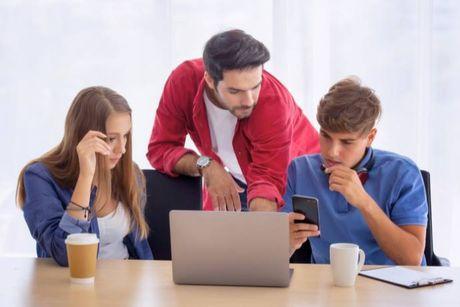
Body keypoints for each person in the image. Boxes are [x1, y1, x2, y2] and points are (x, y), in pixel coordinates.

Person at [147, 29, 319, 212]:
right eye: (235, 91)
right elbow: (160, 149)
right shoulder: (183, 82)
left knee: (263, 238)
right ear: (210, 80)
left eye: (255, 86)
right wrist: (206, 165)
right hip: (241, 183)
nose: (249, 101)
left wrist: (263, 232)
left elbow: (268, 179)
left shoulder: (274, 103)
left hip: (301, 186)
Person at [286, 77, 428, 265]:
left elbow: (411, 259)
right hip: (326, 286)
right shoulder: (299, 170)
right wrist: (286, 243)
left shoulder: (403, 173)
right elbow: (273, 253)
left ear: (370, 137)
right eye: (325, 135)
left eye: (346, 142)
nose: (331, 151)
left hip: (392, 287)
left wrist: (363, 201)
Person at [16, 86, 153, 266]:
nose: (122, 149)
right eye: (111, 139)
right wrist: (85, 177)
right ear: (83, 137)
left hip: (126, 283)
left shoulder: (130, 172)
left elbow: (141, 252)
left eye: (125, 136)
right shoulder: (39, 178)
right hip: (73, 286)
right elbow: (65, 255)